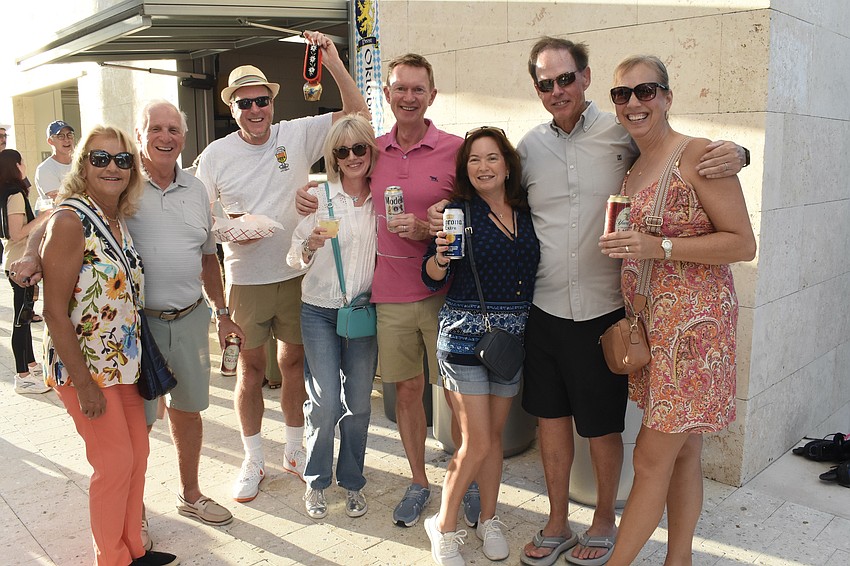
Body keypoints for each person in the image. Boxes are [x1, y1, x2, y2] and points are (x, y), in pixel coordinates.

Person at [428, 36, 746, 566]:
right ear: (537, 89)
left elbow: (684, 154)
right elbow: (490, 187)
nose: (557, 90)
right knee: (551, 420)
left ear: (587, 78)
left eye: (566, 78)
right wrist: (445, 208)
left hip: (607, 313)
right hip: (544, 310)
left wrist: (739, 151)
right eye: (545, 83)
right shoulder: (528, 148)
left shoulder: (626, 132)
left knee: (602, 427)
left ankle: (603, 520)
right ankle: (557, 522)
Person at [297, 53, 483, 529]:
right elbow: (343, 164)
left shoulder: (455, 150)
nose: (408, 97)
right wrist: (304, 194)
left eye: (417, 88)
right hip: (389, 297)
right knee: (406, 392)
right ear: (387, 94)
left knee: (459, 394)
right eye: (399, 88)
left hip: (445, 293)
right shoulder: (373, 151)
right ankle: (419, 480)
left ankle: (470, 480)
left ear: (432, 96)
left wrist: (434, 223)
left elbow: (477, 207)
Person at [195, 31, 368, 504]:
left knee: (295, 365)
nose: (255, 110)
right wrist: (228, 226)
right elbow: (200, 216)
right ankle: (253, 459)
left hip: (298, 276)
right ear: (232, 108)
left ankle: (294, 450)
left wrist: (332, 62)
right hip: (246, 280)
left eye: (261, 101)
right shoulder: (215, 155)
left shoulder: (295, 132)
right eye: (244, 103)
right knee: (251, 371)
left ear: (272, 102)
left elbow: (358, 117)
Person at [598, 55, 755, 566]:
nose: (634, 103)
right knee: (683, 452)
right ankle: (679, 559)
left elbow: (742, 243)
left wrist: (656, 247)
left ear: (667, 96)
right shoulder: (635, 160)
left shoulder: (698, 155)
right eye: (622, 95)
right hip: (656, 330)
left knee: (648, 458)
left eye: (646, 91)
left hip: (693, 334)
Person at [40, 125, 178, 566]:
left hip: (125, 365)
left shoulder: (118, 219)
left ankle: (133, 550)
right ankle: (112, 560)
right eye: (100, 159)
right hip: (85, 370)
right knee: (114, 463)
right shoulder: (69, 219)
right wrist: (83, 386)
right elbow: (53, 312)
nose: (113, 167)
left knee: (137, 456)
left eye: (122, 160)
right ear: (83, 165)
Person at [421, 127, 540, 566]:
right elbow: (431, 276)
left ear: (507, 165)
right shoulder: (456, 213)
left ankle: (489, 518)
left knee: (493, 438)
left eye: (492, 159)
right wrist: (439, 258)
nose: (483, 167)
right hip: (462, 339)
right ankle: (445, 526)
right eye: (474, 160)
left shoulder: (526, 214)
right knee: (474, 442)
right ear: (464, 169)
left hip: (508, 344)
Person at [130, 101, 244, 541]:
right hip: (140, 327)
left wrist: (222, 312)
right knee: (138, 422)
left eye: (173, 129)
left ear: (184, 136)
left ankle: (190, 494)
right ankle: (132, 507)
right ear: (140, 135)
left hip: (192, 318)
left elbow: (208, 256)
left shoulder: (197, 189)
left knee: (189, 411)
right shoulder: (123, 187)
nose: (166, 137)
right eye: (155, 128)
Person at [285, 113, 378, 520]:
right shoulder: (320, 199)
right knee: (324, 404)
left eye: (360, 147)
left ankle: (353, 480)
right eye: (343, 151)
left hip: (362, 311)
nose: (353, 156)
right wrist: (309, 245)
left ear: (371, 151)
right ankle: (316, 480)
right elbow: (293, 257)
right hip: (320, 311)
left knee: (358, 403)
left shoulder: (384, 198)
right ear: (334, 158)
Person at [0, 149, 50, 394]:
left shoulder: (8, 192)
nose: (25, 165)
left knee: (26, 316)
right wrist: (45, 216)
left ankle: (30, 365)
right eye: (22, 162)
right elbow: (16, 232)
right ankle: (23, 376)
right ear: (16, 166)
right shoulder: (15, 194)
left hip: (15, 262)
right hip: (20, 265)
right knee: (21, 320)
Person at [34, 120, 75, 202]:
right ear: (50, 141)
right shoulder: (45, 169)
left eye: (69, 135)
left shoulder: (81, 163)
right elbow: (59, 200)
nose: (66, 140)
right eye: (61, 136)